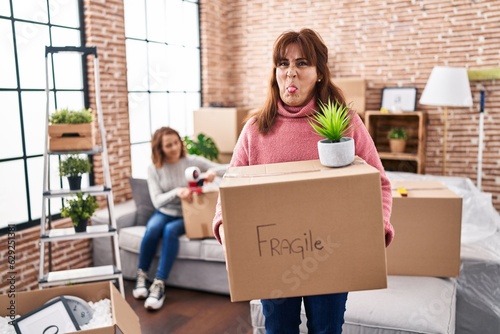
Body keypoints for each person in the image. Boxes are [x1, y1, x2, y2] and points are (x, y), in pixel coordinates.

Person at [212, 28, 394, 333]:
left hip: (332, 256)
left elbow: (379, 184)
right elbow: (230, 192)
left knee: (326, 329)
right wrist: (224, 227)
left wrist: (378, 228)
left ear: (320, 73)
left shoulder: (346, 123)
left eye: (302, 63)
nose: (290, 73)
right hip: (273, 258)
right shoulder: (255, 129)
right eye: (283, 64)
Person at [133, 126, 226, 310]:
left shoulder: (191, 161)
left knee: (169, 231)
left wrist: (213, 173)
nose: (174, 148)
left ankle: (159, 283)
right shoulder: (154, 169)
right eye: (168, 145)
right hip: (164, 211)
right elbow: (157, 200)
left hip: (187, 214)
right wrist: (177, 192)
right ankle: (142, 275)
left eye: (176, 142)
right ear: (159, 148)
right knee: (152, 229)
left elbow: (230, 167)